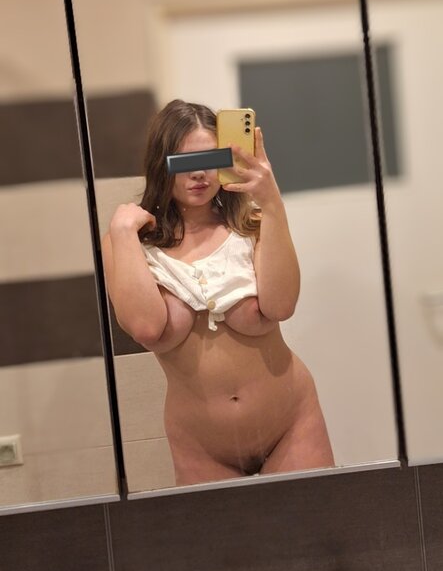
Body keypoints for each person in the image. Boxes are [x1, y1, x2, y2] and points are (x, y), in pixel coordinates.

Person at [102, 99, 334, 485]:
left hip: (291, 423)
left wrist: (272, 202)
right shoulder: (127, 241)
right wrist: (124, 232)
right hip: (201, 446)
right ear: (161, 164)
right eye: (185, 162)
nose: (200, 174)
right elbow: (145, 327)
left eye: (211, 159)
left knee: (317, 525)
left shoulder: (254, 223)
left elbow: (281, 305)